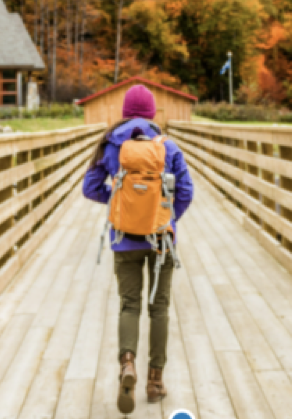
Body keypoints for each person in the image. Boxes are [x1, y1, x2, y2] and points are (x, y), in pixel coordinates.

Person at [82, 84, 194, 414]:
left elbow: (90, 188)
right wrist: (166, 217)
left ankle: (127, 364)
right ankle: (155, 380)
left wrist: (119, 206)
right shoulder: (168, 146)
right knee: (159, 308)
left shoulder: (110, 143)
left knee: (129, 304)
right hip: (161, 239)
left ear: (124, 111)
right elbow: (186, 191)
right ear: (152, 113)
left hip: (123, 238)